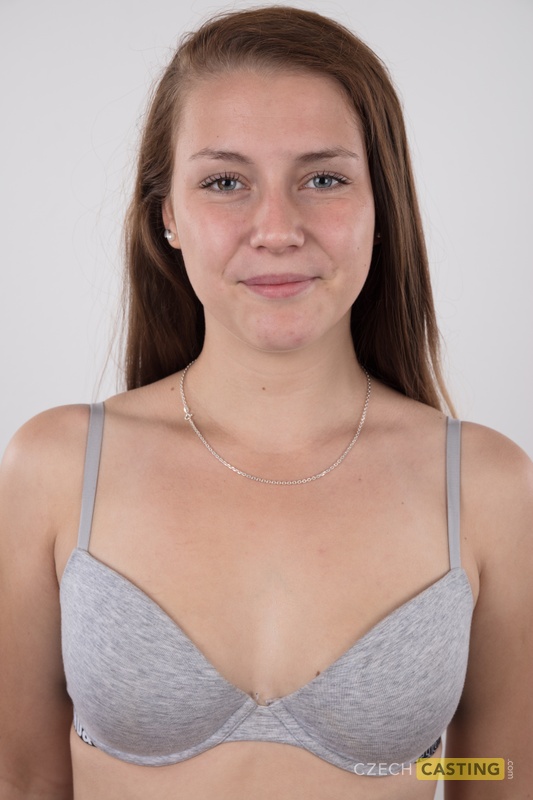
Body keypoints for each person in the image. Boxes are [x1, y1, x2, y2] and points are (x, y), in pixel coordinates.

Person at [0, 6, 531, 800]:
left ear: (380, 206)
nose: (277, 229)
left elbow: (496, 775)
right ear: (168, 215)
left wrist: (408, 765)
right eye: (225, 182)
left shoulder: (486, 485)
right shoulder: (56, 468)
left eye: (323, 179)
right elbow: (24, 778)